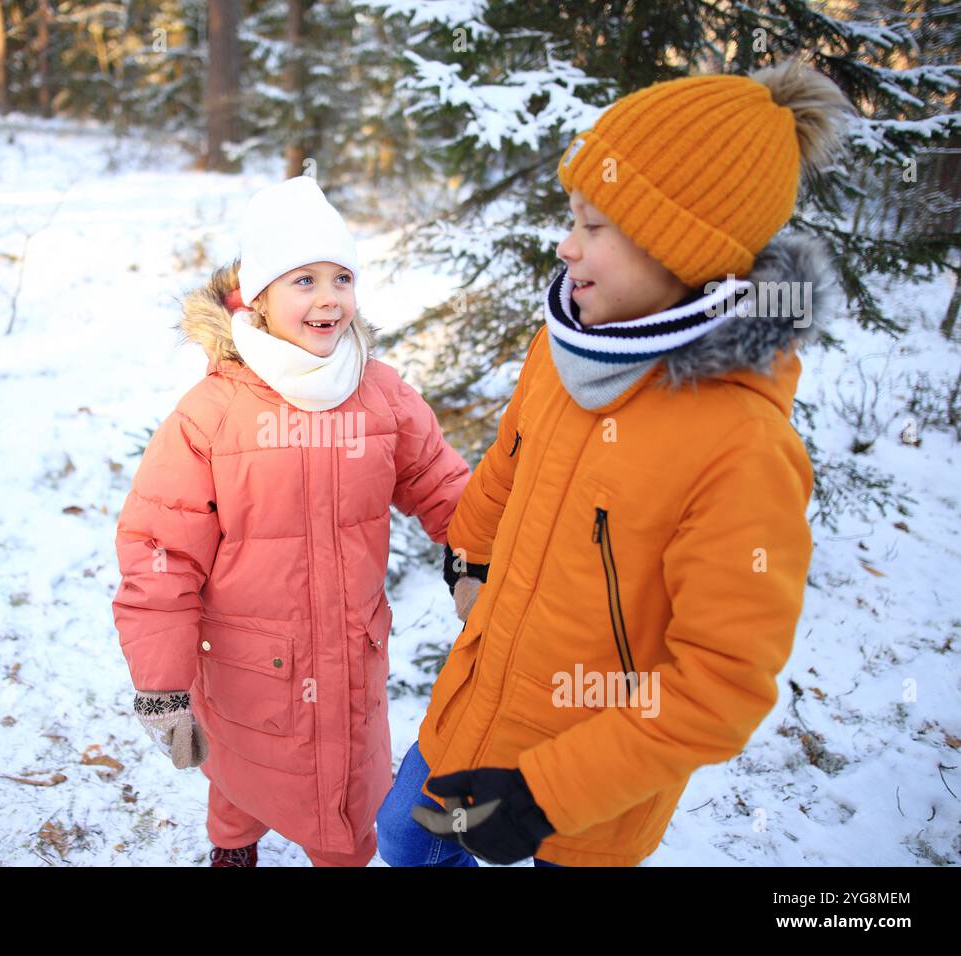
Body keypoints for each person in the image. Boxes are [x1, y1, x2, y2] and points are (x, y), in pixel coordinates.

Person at [377, 58, 852, 867]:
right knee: (404, 842)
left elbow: (722, 681)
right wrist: (468, 553)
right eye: (573, 216)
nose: (567, 245)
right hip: (475, 708)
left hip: (592, 784)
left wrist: (543, 798)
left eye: (596, 225)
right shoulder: (565, 348)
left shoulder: (741, 444)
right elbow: (509, 462)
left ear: (682, 247)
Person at [112, 175, 471, 866]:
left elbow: (442, 481)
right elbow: (161, 549)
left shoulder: (380, 392)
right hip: (248, 658)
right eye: (303, 280)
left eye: (342, 277)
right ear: (258, 297)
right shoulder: (212, 413)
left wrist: (483, 545)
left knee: (346, 800)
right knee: (240, 763)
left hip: (348, 659)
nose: (329, 297)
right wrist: (161, 683)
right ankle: (233, 848)